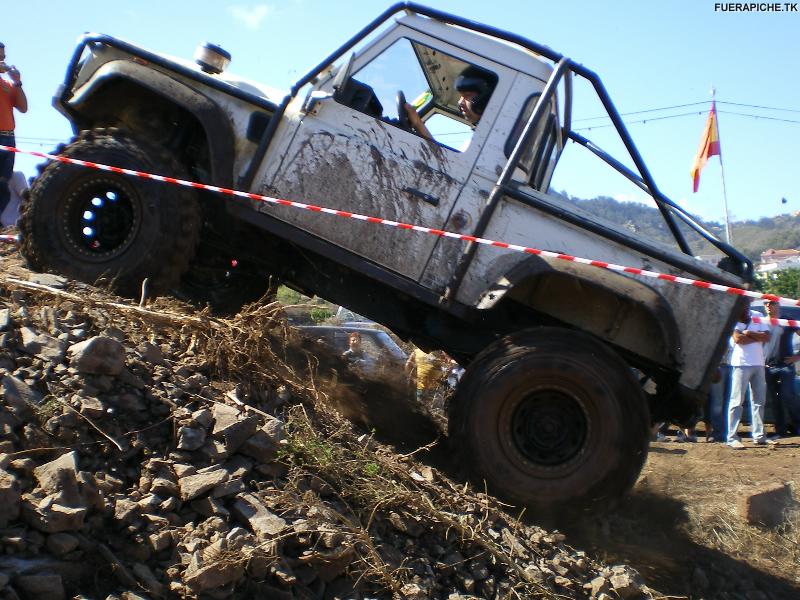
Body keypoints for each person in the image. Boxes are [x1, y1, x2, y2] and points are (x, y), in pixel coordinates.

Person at [404, 64, 497, 142]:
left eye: (467, 95)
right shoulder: (487, 135)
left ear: (485, 99)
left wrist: (417, 124)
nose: (460, 102)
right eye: (461, 96)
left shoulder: (494, 139)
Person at [726, 303, 773, 448]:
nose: (745, 310)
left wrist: (748, 333)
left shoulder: (758, 316)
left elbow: (767, 337)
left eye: (746, 307)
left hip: (758, 363)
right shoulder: (734, 318)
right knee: (736, 401)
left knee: (759, 401)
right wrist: (756, 336)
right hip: (741, 364)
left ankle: (759, 436)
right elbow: (738, 339)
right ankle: (732, 437)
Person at [763, 299, 800, 438]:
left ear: (778, 304)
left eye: (771, 303)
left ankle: (798, 425)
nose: (768, 305)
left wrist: (797, 357)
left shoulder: (787, 321)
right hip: (768, 366)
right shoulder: (761, 321)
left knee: (789, 395)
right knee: (774, 400)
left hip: (786, 366)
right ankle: (780, 431)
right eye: (765, 303)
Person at [0, 43, 28, 218]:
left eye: (3, 57)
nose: (2, 60)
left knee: (3, 185)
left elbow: (23, 108)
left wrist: (17, 82)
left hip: (9, 139)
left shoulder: (7, 84)